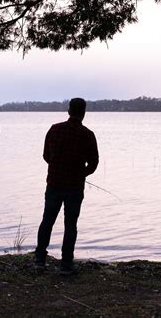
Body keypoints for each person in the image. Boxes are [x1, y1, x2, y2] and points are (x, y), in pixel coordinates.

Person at [35, 98, 99, 275]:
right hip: (74, 187)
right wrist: (82, 173)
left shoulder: (54, 129)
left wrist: (56, 166)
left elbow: (46, 155)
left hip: (54, 183)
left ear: (68, 110)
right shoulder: (87, 134)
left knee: (47, 221)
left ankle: (40, 260)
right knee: (71, 225)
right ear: (84, 112)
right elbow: (94, 163)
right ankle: (66, 264)